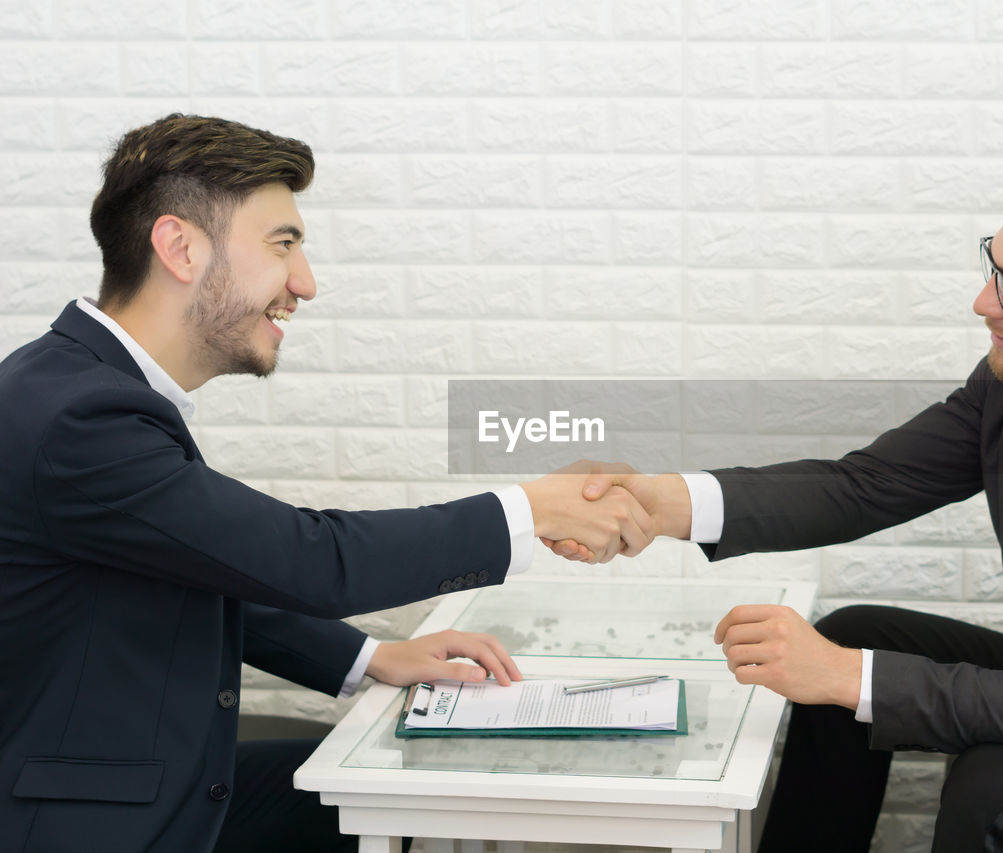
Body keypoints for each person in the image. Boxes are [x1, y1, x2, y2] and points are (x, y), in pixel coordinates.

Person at [552, 142, 1003, 851]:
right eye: (993, 266)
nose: (982, 302)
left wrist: (844, 676)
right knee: (853, 635)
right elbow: (862, 484)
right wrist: (654, 501)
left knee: (994, 786)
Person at [0, 113, 653, 852]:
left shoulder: (85, 389)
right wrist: (527, 511)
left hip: (142, 784)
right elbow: (304, 558)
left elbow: (198, 565)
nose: (304, 283)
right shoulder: (80, 419)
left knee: (404, 797)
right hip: (86, 825)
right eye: (284, 244)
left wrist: (368, 659)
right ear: (179, 247)